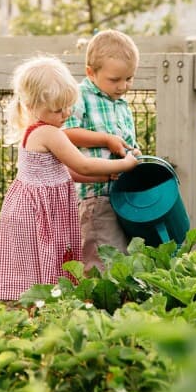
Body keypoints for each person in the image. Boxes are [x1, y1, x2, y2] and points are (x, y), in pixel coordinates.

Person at [0, 56, 138, 301]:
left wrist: (105, 175)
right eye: (58, 109)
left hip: (32, 209)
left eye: (68, 106)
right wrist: (125, 163)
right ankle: (48, 309)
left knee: (38, 266)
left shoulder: (36, 131)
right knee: (48, 263)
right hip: (40, 212)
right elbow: (81, 164)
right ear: (32, 105)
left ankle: (39, 310)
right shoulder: (50, 134)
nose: (66, 114)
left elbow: (64, 172)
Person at [63, 29, 141, 272]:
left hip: (119, 193)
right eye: (115, 80)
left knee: (120, 252)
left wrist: (134, 153)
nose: (122, 86)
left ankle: (117, 304)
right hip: (94, 193)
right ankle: (96, 304)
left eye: (128, 79)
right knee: (101, 256)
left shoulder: (120, 103)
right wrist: (106, 140)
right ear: (90, 72)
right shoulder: (80, 96)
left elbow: (125, 140)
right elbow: (66, 133)